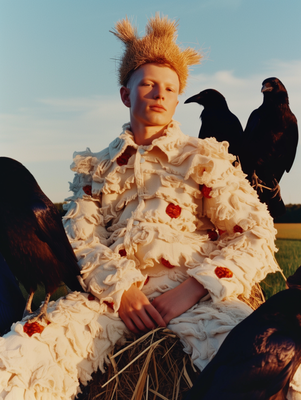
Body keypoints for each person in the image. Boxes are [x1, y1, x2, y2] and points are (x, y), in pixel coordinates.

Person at [0, 14, 299, 400]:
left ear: (178, 100)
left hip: (203, 303)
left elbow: (256, 233)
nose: (159, 94)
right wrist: (121, 290)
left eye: (169, 88)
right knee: (24, 353)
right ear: (126, 95)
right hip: (109, 302)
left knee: (277, 368)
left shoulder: (205, 159)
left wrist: (195, 287)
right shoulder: (97, 169)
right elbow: (80, 239)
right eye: (149, 85)